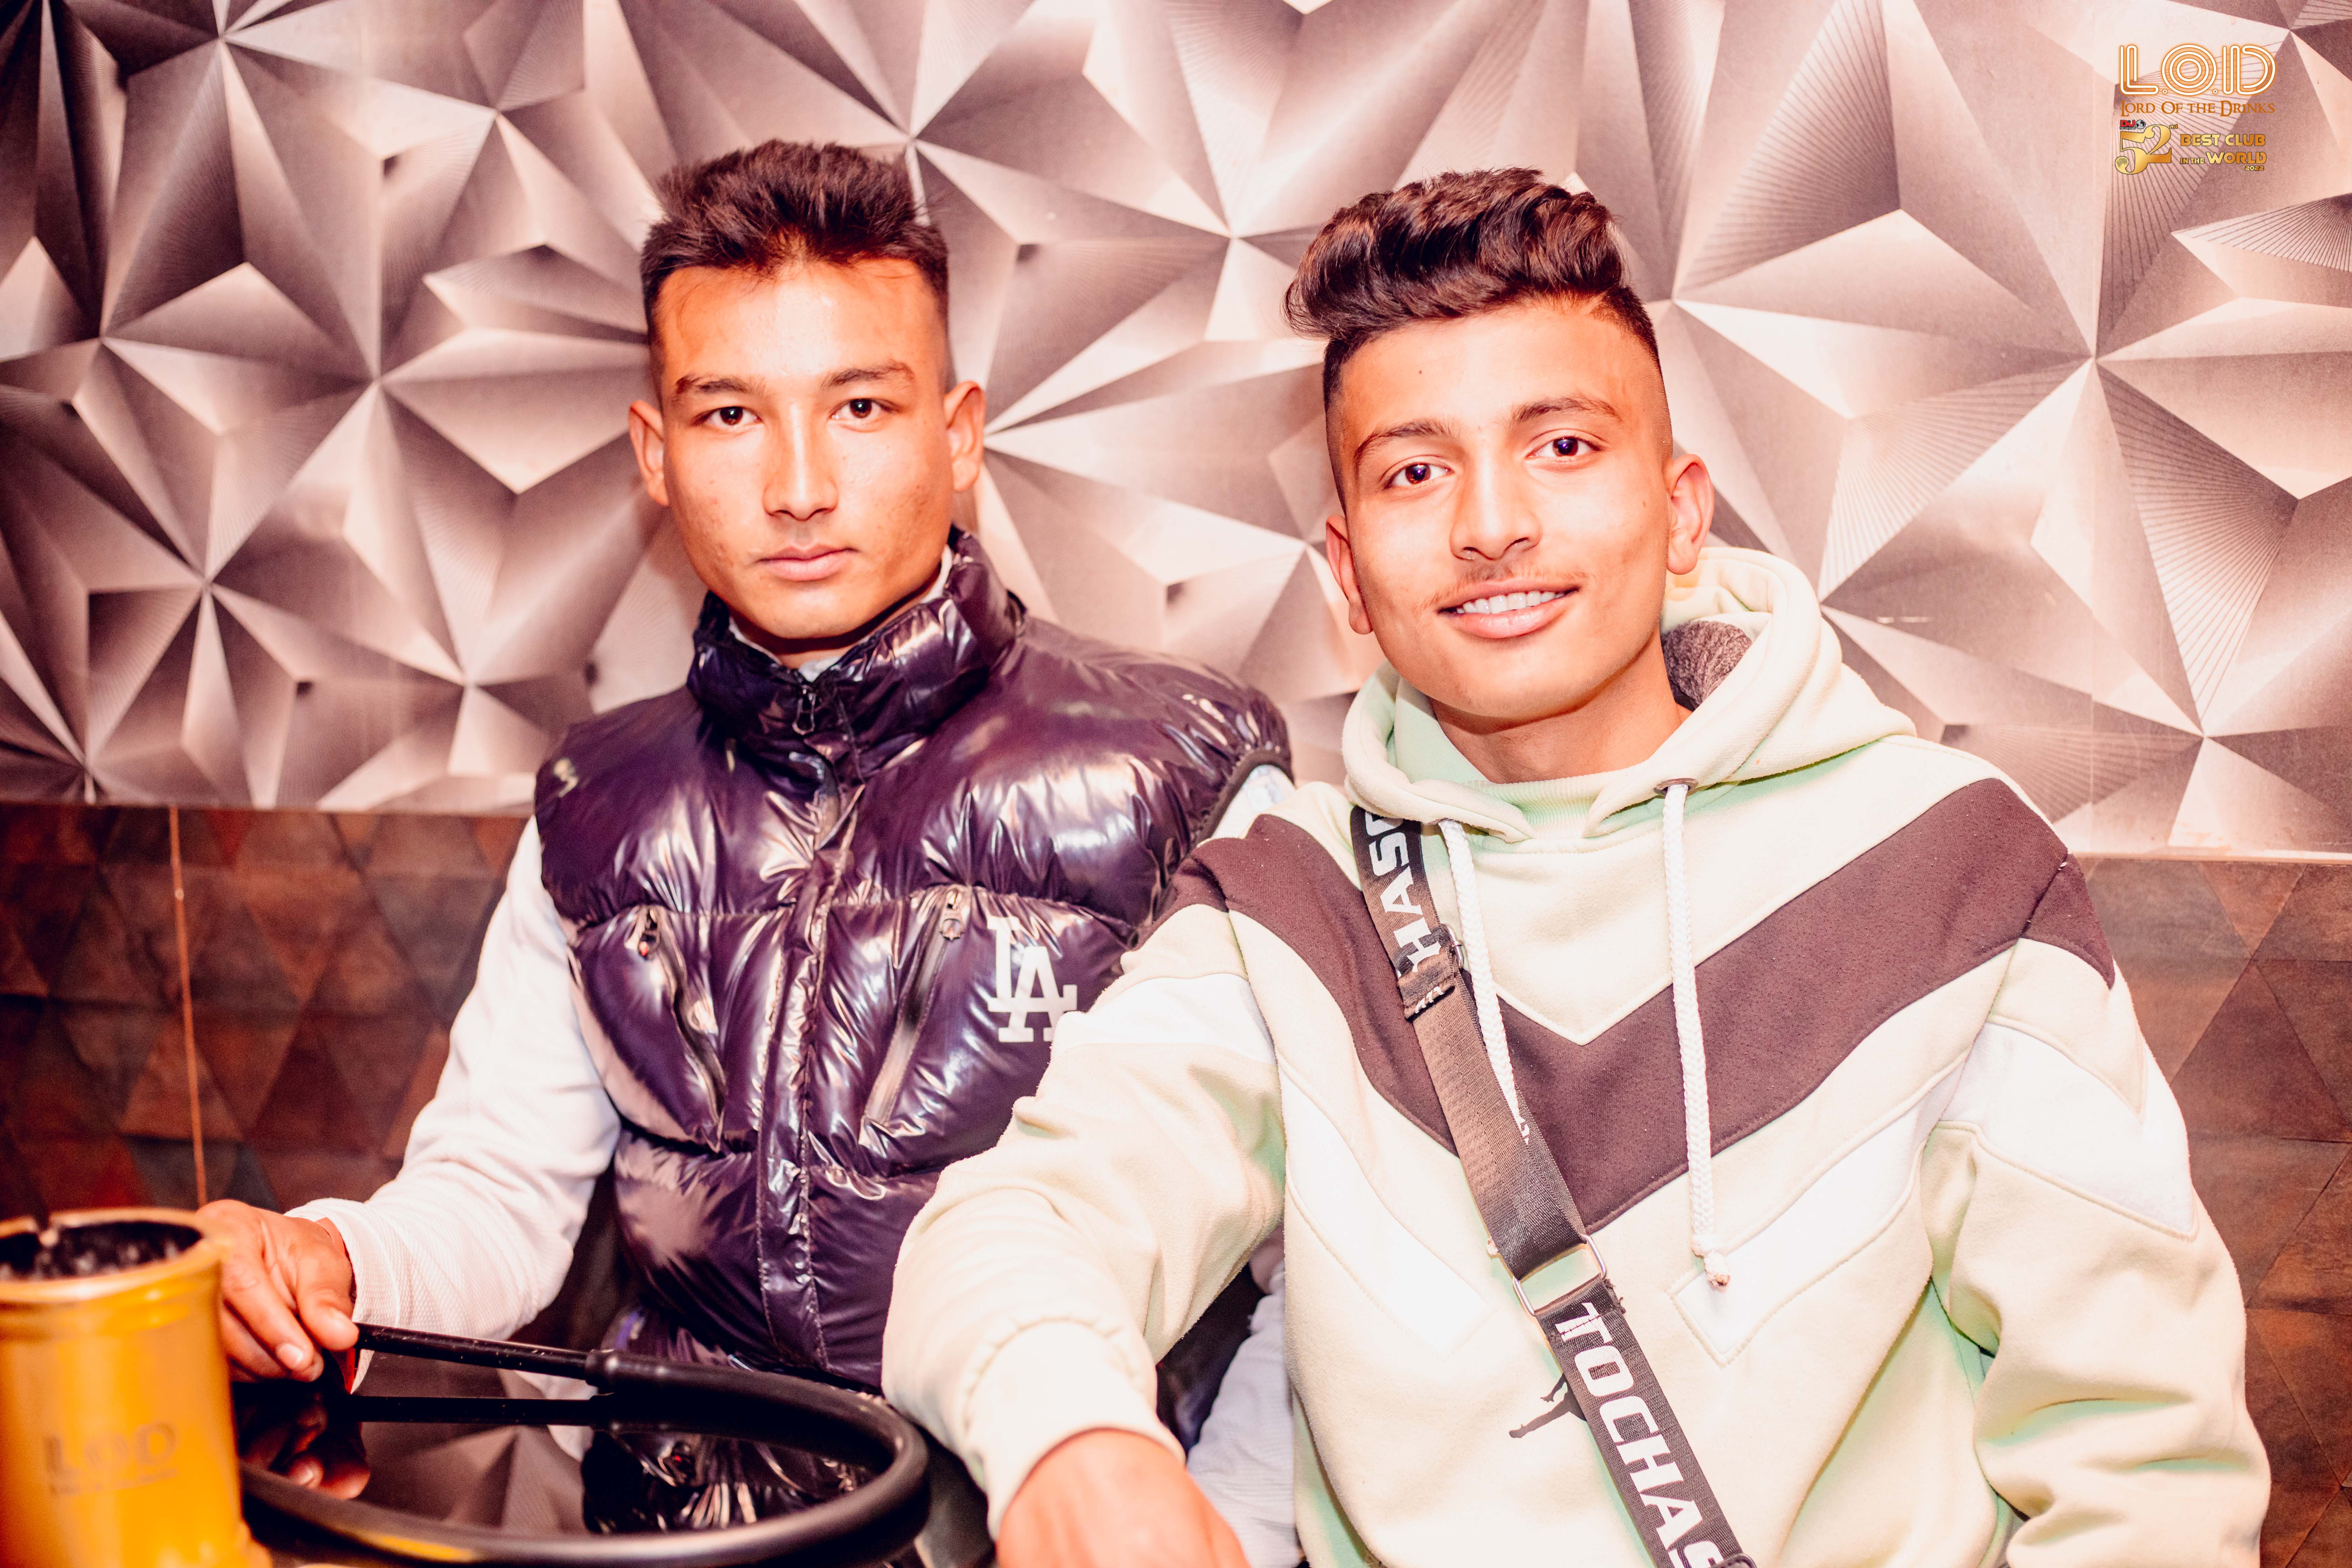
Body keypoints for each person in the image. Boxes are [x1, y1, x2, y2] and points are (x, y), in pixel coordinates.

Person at [881, 170, 2269, 1567]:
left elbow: (2144, 1462)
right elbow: (1014, 1225)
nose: (1491, 523)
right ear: (1347, 574)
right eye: (1415, 471)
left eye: (1560, 445)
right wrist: (1076, 1443)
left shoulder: (1955, 868)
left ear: (1681, 512)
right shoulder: (1286, 908)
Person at [194, 140, 1294, 1530]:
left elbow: (1314, 1275)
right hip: (672, 1541)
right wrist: (323, 1260)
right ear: (655, 454)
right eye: (729, 414)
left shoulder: (1186, 770)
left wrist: (1223, 1531)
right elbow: (497, 1196)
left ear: (958, 432)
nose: (798, 484)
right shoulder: (594, 802)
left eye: (860, 406)